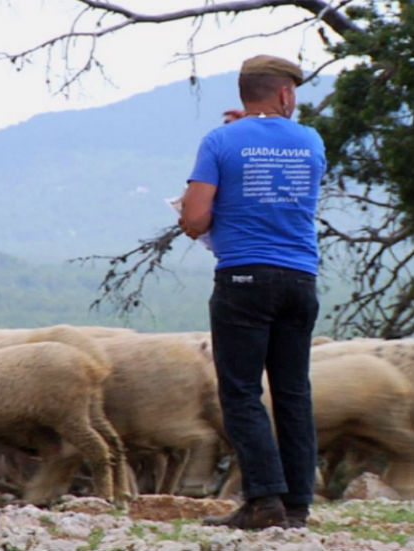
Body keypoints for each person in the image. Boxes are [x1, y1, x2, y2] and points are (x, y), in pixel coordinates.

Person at [178, 54, 326, 530]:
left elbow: (196, 218)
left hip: (243, 278)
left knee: (241, 393)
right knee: (293, 393)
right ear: (284, 94)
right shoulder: (311, 140)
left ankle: (263, 502)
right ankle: (299, 506)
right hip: (300, 279)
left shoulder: (220, 140)